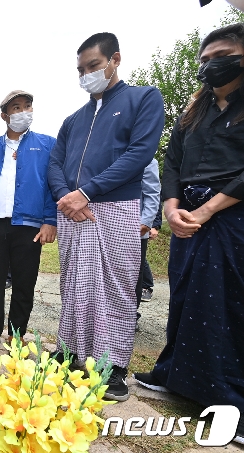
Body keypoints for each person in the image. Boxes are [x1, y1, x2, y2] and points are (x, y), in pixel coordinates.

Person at [133, 24, 244, 443]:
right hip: (185, 215)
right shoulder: (193, 113)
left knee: (226, 304)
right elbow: (173, 163)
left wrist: (210, 208)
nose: (211, 64)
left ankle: (230, 401)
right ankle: (174, 376)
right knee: (184, 295)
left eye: (223, 54)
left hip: (230, 215)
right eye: (205, 58)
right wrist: (172, 207)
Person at [47, 32, 164, 401]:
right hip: (72, 212)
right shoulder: (73, 119)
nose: (86, 75)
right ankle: (70, 355)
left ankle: (111, 368)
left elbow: (140, 153)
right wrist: (66, 196)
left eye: (93, 66)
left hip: (115, 207)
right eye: (80, 69)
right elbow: (55, 162)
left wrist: (87, 192)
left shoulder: (143, 98)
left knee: (115, 286)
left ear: (114, 59)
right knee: (74, 285)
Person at [0, 90, 57, 352]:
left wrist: (50, 219)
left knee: (24, 280)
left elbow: (54, 185)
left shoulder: (47, 145)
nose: (23, 112)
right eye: (16, 108)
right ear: (4, 115)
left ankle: (17, 333)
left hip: (29, 224)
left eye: (27, 107)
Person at [135, 159, 160, 326]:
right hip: (107, 228)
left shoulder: (148, 160)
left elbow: (153, 193)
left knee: (133, 277)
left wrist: (148, 222)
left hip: (137, 230)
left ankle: (130, 317)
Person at [140, 205, 162, 302]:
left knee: (140, 257)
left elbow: (154, 200)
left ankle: (146, 287)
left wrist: (154, 225)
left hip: (142, 223)